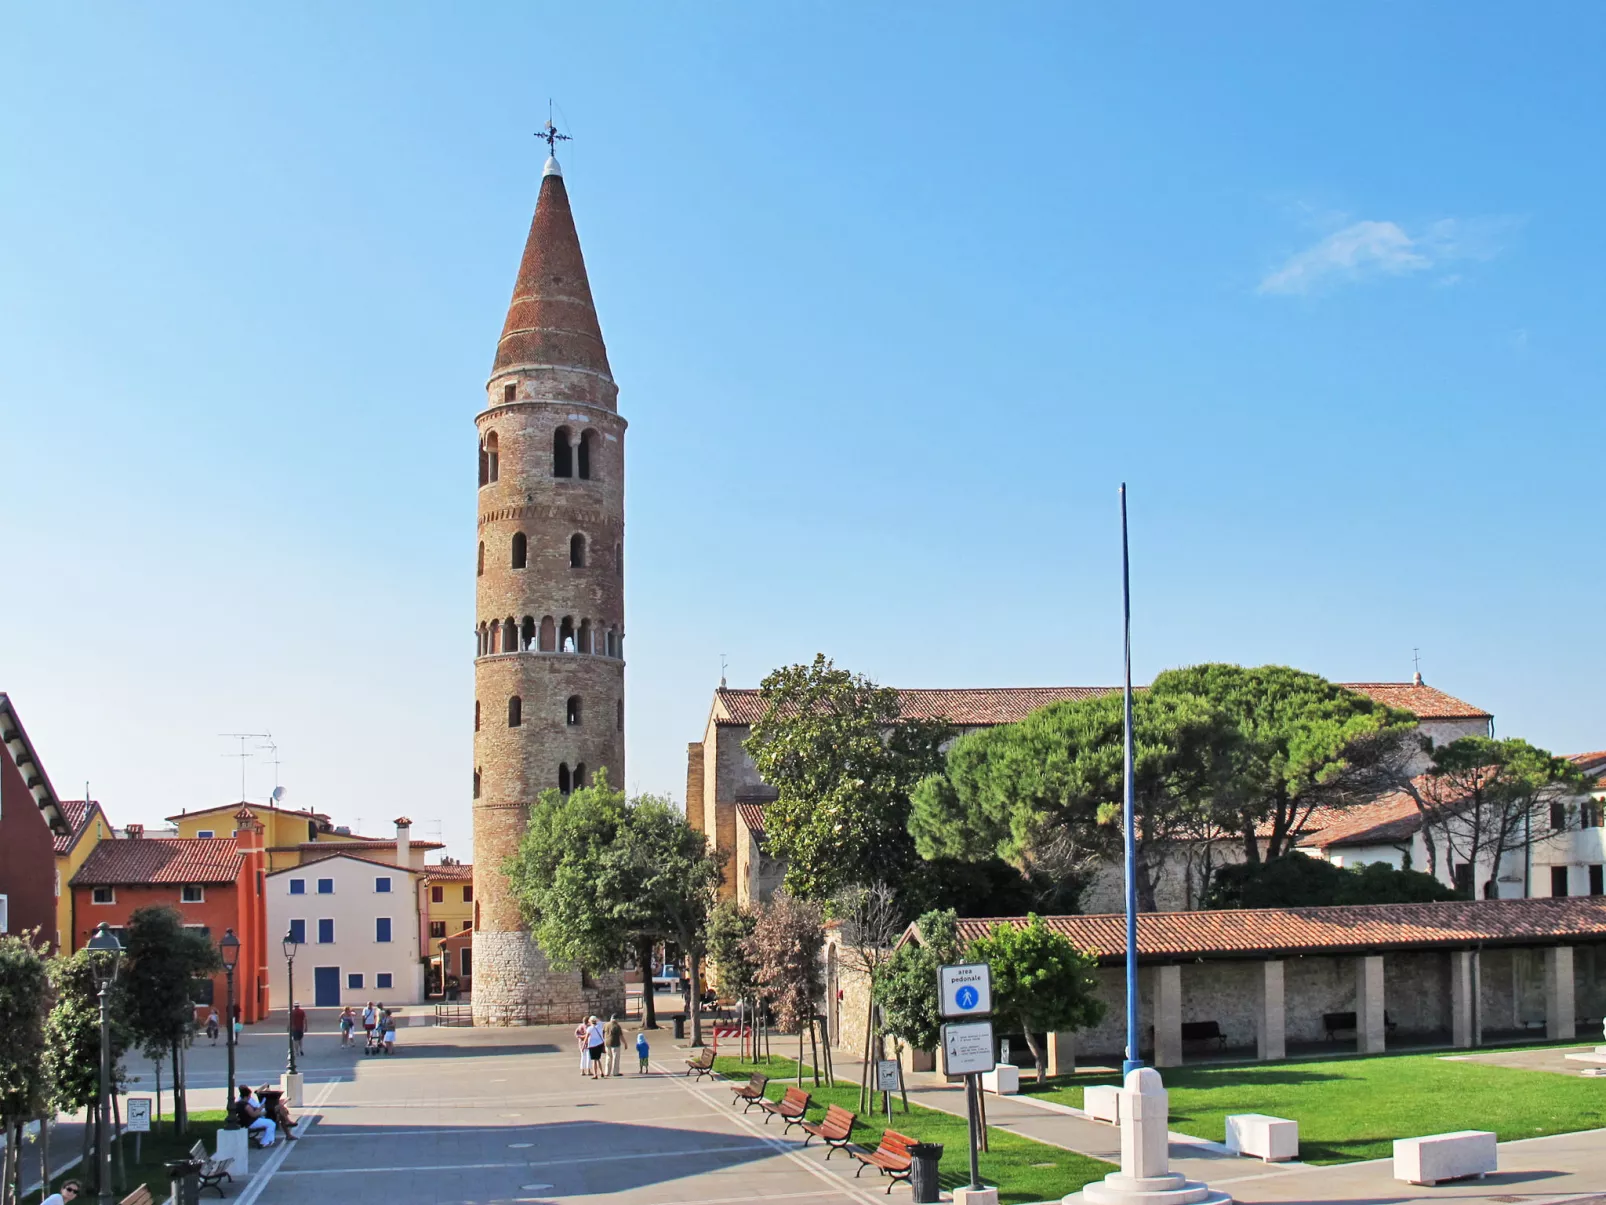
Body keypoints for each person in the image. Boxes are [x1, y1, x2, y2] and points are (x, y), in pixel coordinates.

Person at [586, 1015, 605, 1079]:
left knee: (594, 1060)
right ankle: (601, 1072)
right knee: (598, 1059)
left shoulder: (590, 1028)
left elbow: (586, 1037)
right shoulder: (600, 1026)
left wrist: (583, 1045)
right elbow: (600, 1021)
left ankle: (595, 1074)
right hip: (600, 1044)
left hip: (592, 1045)